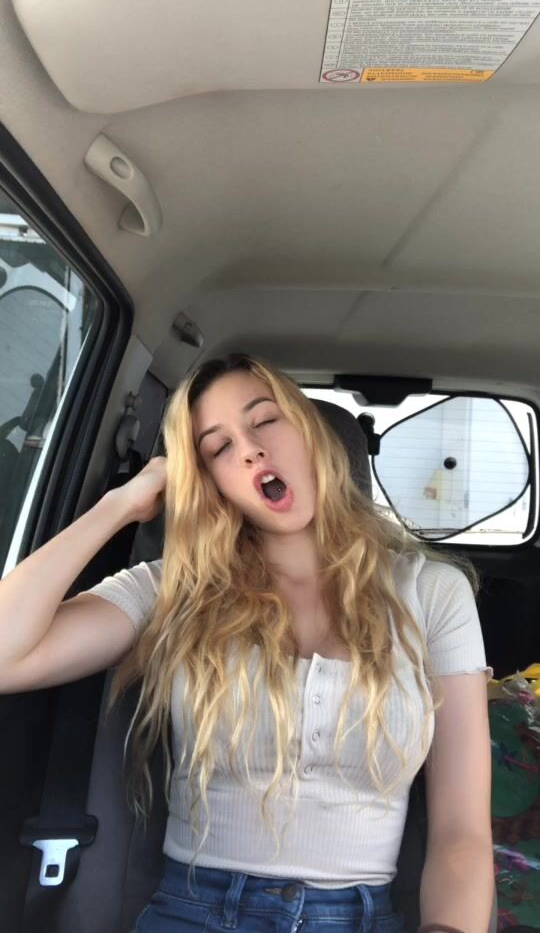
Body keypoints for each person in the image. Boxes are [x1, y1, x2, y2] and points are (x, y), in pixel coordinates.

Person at [0, 353, 495, 933]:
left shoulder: (432, 593)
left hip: (359, 917)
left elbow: (463, 833)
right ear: (211, 482)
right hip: (193, 913)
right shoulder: (176, 589)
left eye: (265, 421)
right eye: (218, 448)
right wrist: (122, 505)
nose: (251, 450)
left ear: (310, 432)